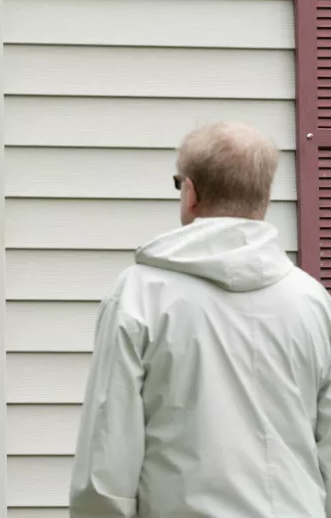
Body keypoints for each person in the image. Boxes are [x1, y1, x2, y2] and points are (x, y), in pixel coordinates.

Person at [68, 120, 331, 518]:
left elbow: (106, 466)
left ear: (190, 193)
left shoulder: (139, 295)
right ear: (264, 198)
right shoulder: (312, 302)